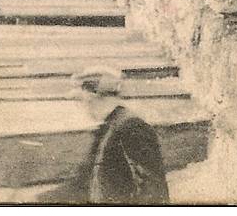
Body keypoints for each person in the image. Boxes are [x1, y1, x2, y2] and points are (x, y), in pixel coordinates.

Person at [48, 69, 169, 204]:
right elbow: (83, 181)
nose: (82, 106)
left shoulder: (131, 126)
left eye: (81, 99)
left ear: (92, 96)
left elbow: (153, 191)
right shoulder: (106, 128)